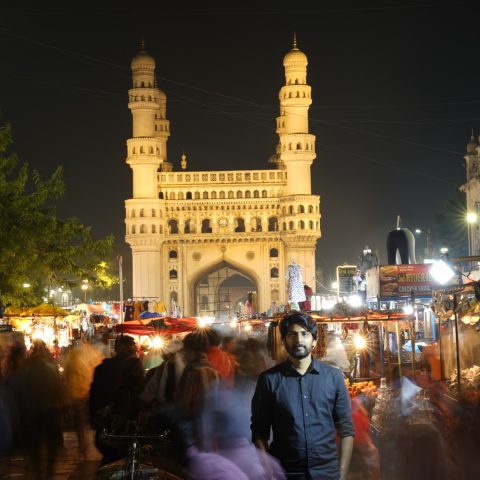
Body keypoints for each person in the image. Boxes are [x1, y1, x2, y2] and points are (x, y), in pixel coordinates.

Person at [251, 312, 354, 480]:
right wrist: (270, 473)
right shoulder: (269, 380)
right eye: (292, 334)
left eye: (305, 334)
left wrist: (341, 474)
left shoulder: (333, 377)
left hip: (327, 473)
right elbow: (259, 432)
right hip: (286, 473)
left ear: (314, 341)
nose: (299, 340)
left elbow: (346, 429)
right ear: (284, 341)